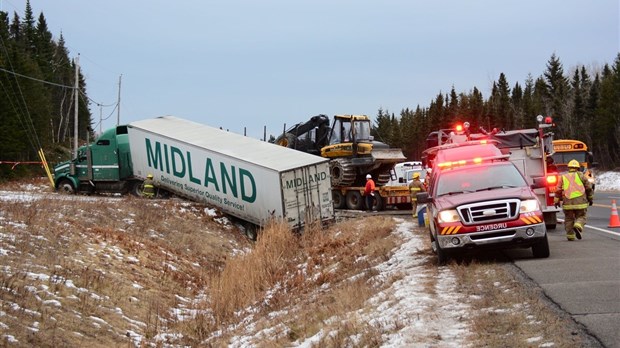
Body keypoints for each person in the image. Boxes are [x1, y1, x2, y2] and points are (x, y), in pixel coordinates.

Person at [554, 159, 593, 241]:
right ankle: (578, 225)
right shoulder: (581, 176)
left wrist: (556, 201)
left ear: (569, 168)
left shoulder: (563, 177)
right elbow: (588, 188)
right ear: (578, 168)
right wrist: (590, 198)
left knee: (568, 219)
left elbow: (558, 190)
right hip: (580, 202)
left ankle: (570, 236)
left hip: (567, 203)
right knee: (581, 216)